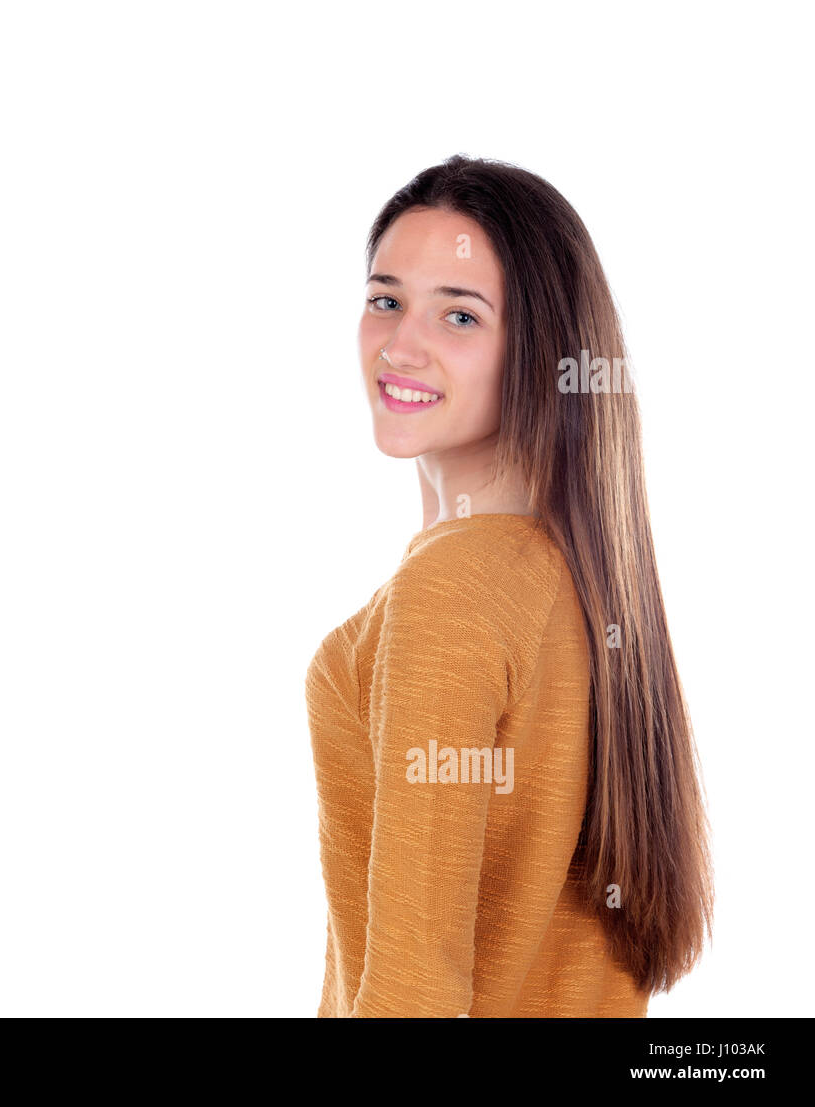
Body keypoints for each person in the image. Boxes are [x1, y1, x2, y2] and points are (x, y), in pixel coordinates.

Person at [306, 154, 713, 1018]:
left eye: (460, 314)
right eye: (386, 299)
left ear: (541, 351)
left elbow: (414, 992)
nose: (401, 343)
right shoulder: (588, 579)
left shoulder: (452, 590)